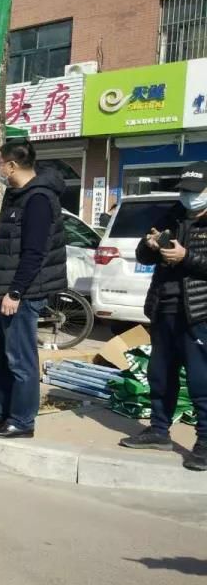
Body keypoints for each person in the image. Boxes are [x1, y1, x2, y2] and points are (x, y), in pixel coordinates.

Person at [0, 141, 67, 439]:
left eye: (0, 163)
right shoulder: (18, 194)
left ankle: (21, 421)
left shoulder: (38, 199)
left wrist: (16, 292)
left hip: (22, 293)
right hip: (4, 290)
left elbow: (34, 252)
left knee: (20, 359)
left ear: (12, 165)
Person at [117, 164, 207, 471]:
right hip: (164, 308)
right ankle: (158, 430)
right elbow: (144, 255)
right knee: (161, 374)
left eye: (194, 192)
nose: (187, 197)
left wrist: (187, 257)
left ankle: (205, 443)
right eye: (184, 191)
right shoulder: (173, 215)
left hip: (198, 313)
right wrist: (150, 245)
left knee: (200, 381)